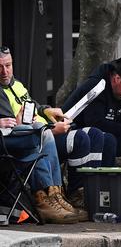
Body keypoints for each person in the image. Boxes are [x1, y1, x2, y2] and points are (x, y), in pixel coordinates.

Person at [0, 46, 84, 223]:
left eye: (8, 65)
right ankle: (44, 198)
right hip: (7, 140)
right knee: (42, 132)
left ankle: (55, 195)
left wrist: (46, 110)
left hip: (21, 134)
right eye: (0, 67)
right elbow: (14, 122)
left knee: (41, 130)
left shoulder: (17, 85)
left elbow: (31, 106)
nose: (5, 71)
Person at [62, 62, 121, 167]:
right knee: (108, 139)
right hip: (75, 134)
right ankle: (105, 180)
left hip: (102, 136)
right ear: (117, 79)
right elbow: (95, 123)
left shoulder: (120, 96)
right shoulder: (97, 86)